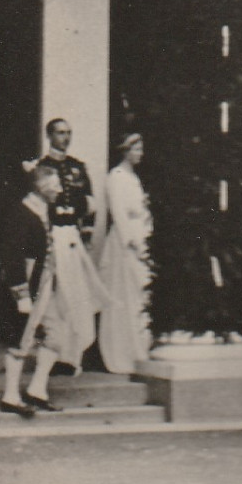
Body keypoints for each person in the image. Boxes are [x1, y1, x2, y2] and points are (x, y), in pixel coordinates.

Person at [0, 162, 109, 414]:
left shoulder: (43, 210)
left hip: (46, 285)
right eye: (55, 185)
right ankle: (10, 397)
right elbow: (12, 257)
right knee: (20, 339)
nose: (59, 190)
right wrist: (21, 295)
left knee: (56, 334)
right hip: (27, 289)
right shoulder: (22, 213)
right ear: (41, 187)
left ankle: (37, 390)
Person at [94, 132, 152, 374]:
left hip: (141, 236)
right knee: (124, 296)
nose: (140, 153)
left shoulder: (133, 178)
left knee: (140, 296)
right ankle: (121, 354)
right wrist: (132, 242)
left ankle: (139, 349)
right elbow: (118, 213)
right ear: (126, 150)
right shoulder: (116, 177)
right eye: (136, 149)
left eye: (141, 149)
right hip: (125, 243)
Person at [28, 117, 96, 242]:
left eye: (69, 133)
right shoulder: (41, 166)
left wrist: (87, 233)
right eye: (61, 133)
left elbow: (89, 202)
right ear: (49, 135)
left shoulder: (77, 166)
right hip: (51, 234)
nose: (66, 137)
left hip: (74, 233)